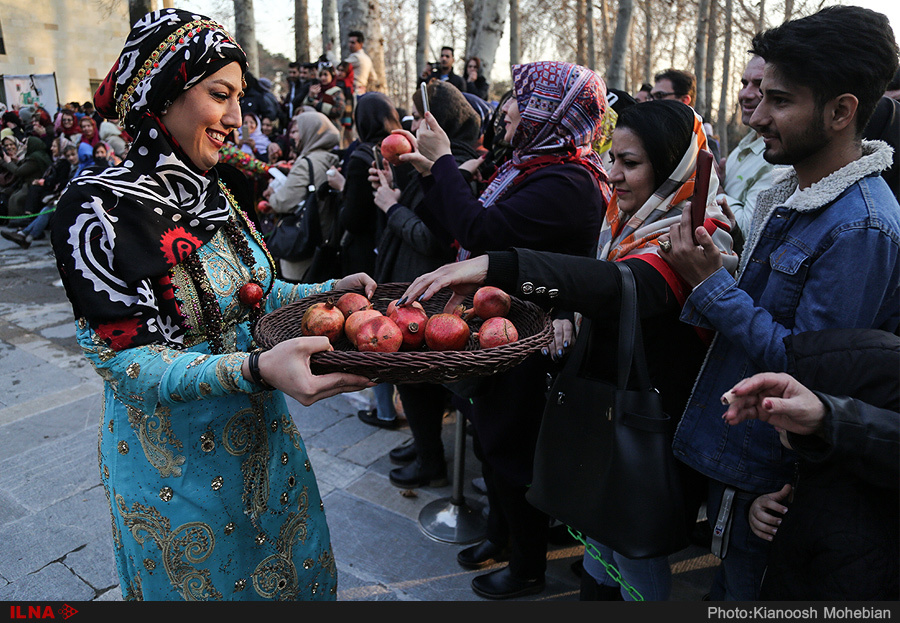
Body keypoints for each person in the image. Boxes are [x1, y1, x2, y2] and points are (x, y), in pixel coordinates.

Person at [49, 8, 375, 601]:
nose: (236, 118)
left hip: (266, 454)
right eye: (219, 95)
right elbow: (124, 362)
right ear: (163, 94)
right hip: (176, 480)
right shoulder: (99, 208)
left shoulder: (217, 191)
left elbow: (257, 296)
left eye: (240, 98)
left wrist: (329, 292)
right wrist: (253, 369)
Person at [400, 98, 736, 601]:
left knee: (634, 553)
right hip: (605, 410)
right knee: (600, 546)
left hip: (650, 423)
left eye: (631, 163)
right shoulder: (627, 220)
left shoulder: (698, 237)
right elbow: (591, 278)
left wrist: (499, 266)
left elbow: (621, 284)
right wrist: (562, 312)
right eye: (613, 158)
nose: (614, 175)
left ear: (673, 166)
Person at [658, 5, 900, 601]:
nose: (758, 115)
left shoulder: (861, 226)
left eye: (780, 100)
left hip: (775, 481)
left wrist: (709, 285)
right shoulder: (796, 187)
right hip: (744, 459)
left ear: (842, 111)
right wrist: (721, 265)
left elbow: (808, 372)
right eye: (759, 94)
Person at [394, 61, 614, 600]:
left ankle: (527, 565)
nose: (506, 110)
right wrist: (433, 173)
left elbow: (483, 233)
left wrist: (446, 159)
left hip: (528, 335)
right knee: (491, 439)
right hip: (497, 324)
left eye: (518, 100)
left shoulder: (568, 181)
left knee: (510, 450)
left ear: (545, 111)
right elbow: (462, 227)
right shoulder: (530, 167)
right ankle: (500, 535)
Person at [721, 327, 898, 600]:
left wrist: (824, 419)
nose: (787, 409)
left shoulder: (857, 540)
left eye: (812, 391)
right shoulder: (819, 474)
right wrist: (760, 509)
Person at [366, 80, 482, 484]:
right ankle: (422, 442)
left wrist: (391, 206)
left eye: (422, 118)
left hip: (428, 284)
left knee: (417, 375)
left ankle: (431, 459)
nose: (415, 127)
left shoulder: (456, 165)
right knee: (413, 379)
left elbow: (434, 238)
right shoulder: (429, 160)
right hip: (408, 276)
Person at [264, 112, 341, 282]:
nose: (294, 137)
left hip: (303, 248)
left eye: (297, 131)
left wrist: (272, 195)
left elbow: (283, 202)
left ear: (309, 132)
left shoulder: (306, 163)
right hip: (325, 241)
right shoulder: (332, 158)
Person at [718, 54, 775, 244]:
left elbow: (747, 236)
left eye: (759, 85)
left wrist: (715, 190)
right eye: (744, 84)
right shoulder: (744, 146)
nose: (745, 94)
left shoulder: (778, 159)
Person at [304, 65, 346, 133]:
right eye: (321, 75)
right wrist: (310, 96)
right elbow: (304, 107)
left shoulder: (336, 91)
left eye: (325, 75)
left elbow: (339, 111)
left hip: (331, 128)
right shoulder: (316, 90)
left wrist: (319, 105)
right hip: (315, 127)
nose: (322, 78)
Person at [347, 31, 376, 95]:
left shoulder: (356, 57)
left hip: (352, 91)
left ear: (361, 44)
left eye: (353, 43)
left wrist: (329, 54)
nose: (350, 45)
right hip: (363, 92)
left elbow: (340, 67)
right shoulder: (367, 58)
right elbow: (373, 77)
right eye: (349, 42)